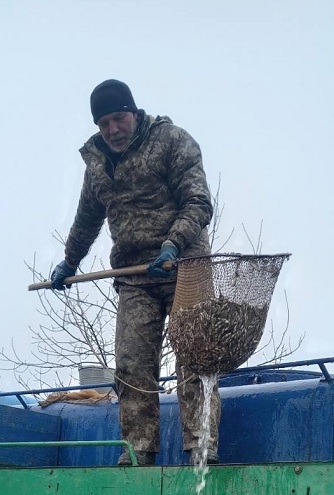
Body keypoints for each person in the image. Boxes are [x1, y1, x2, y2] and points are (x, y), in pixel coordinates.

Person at [49, 79, 221, 466]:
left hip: (184, 265)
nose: (113, 129)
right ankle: (139, 450)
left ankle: (202, 447)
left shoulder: (172, 140)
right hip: (133, 274)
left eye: (118, 118)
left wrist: (173, 243)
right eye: (104, 122)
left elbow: (198, 201)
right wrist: (69, 261)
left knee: (195, 360)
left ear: (134, 112)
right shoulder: (96, 162)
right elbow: (87, 218)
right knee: (131, 366)